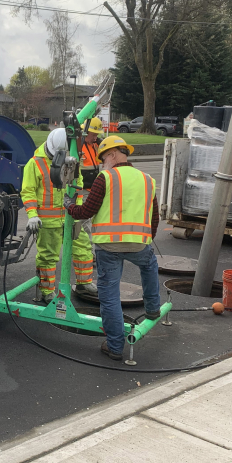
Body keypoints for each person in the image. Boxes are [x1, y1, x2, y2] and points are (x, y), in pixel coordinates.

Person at [64, 135, 161, 360]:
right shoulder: (148, 179)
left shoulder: (105, 178)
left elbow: (86, 211)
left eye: (103, 157)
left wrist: (69, 204)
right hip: (139, 244)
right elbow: (154, 217)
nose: (102, 162)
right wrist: (146, 239)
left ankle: (115, 347)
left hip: (108, 247)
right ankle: (153, 307)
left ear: (113, 154)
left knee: (109, 296)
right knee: (149, 265)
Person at [21, 129, 97, 303]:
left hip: (70, 217)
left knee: (83, 248)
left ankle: (84, 282)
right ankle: (47, 291)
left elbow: (78, 185)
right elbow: (28, 191)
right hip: (48, 221)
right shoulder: (35, 164)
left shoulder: (71, 159)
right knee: (48, 256)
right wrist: (32, 215)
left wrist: (77, 211)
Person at [80, 117, 104, 190]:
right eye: (93, 135)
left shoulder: (96, 144)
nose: (95, 138)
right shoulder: (77, 146)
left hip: (93, 187)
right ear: (85, 132)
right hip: (81, 188)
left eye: (97, 135)